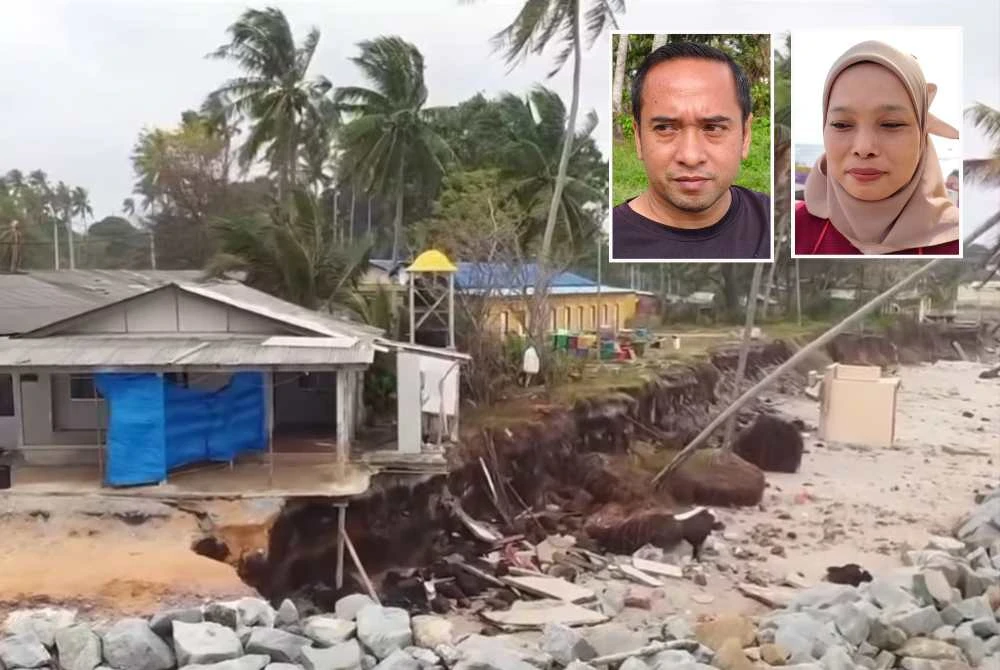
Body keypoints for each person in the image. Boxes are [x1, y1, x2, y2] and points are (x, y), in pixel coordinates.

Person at [795, 40, 960, 256]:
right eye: (841, 124)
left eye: (891, 124)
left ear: (922, 133)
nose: (864, 148)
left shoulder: (955, 242)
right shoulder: (791, 228)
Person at [612, 41, 771, 260]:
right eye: (665, 128)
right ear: (638, 138)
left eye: (713, 128)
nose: (690, 156)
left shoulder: (780, 226)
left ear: (745, 136)